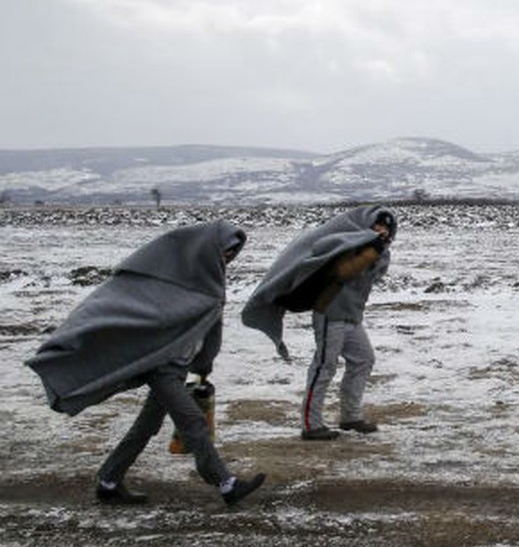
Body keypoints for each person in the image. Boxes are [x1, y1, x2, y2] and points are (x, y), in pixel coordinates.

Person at [26, 221, 266, 507]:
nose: (227, 259)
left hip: (178, 368)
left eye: (231, 254)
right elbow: (143, 314)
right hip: (162, 366)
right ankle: (225, 483)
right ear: (206, 250)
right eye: (224, 253)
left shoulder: (210, 285)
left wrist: (203, 366)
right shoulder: (171, 283)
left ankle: (109, 481)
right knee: (192, 422)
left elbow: (211, 329)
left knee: (145, 428)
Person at [242, 206, 395, 441]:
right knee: (325, 366)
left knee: (364, 360)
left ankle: (350, 416)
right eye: (376, 226)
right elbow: (343, 272)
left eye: (385, 227)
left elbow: (374, 275)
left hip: (352, 316)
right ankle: (311, 424)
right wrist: (370, 250)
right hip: (329, 313)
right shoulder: (344, 245)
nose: (380, 231)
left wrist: (376, 251)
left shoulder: (378, 252)